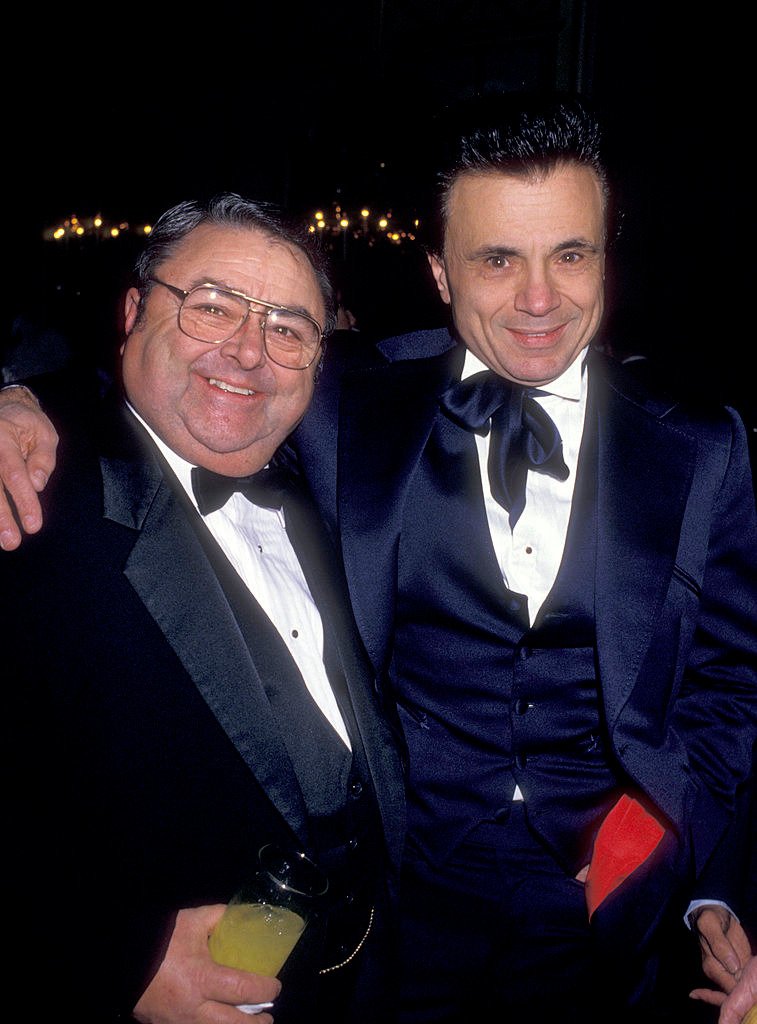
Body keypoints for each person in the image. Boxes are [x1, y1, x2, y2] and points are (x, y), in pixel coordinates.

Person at [1, 95, 756, 1022]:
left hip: (608, 933)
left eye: (570, 253)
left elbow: (727, 687)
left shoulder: (700, 447)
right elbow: (191, 384)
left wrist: (702, 876)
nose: (537, 298)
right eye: (495, 258)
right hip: (394, 928)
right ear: (439, 272)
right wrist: (19, 400)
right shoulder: (348, 404)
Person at [0, 194, 405, 1024]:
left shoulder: (330, 497)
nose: (249, 351)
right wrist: (115, 953)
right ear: (131, 311)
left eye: (289, 329)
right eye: (212, 306)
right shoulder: (27, 500)